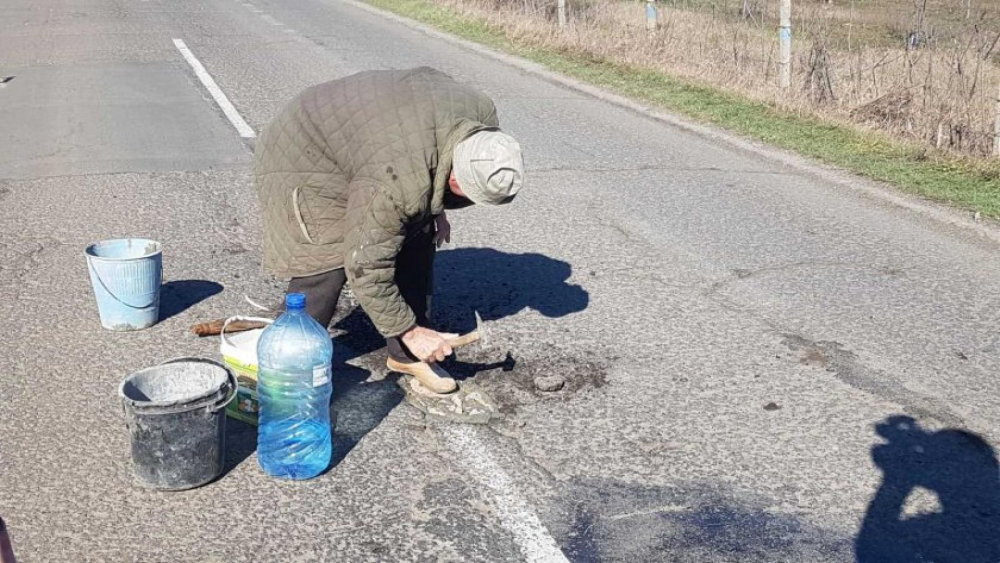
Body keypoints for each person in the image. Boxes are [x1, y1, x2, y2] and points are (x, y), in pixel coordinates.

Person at [253, 67, 524, 393]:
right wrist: (408, 329)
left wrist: (435, 208)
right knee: (328, 262)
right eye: (466, 194)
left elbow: (430, 164)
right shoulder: (394, 182)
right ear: (455, 177)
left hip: (382, 143)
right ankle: (287, 365)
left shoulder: (483, 122)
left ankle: (407, 355)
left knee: (418, 230)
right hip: (306, 148)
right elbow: (365, 264)